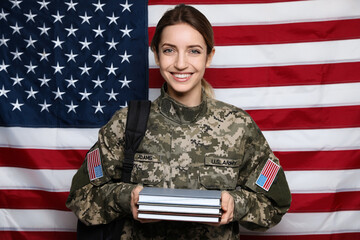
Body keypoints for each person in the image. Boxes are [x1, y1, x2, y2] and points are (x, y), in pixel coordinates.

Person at [66, 4, 291, 239]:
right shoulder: (126, 124)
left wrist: (237, 205)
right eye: (169, 50)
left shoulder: (238, 125)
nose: (181, 63)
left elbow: (275, 204)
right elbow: (81, 198)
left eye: (194, 51)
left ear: (209, 56)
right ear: (156, 54)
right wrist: (126, 198)